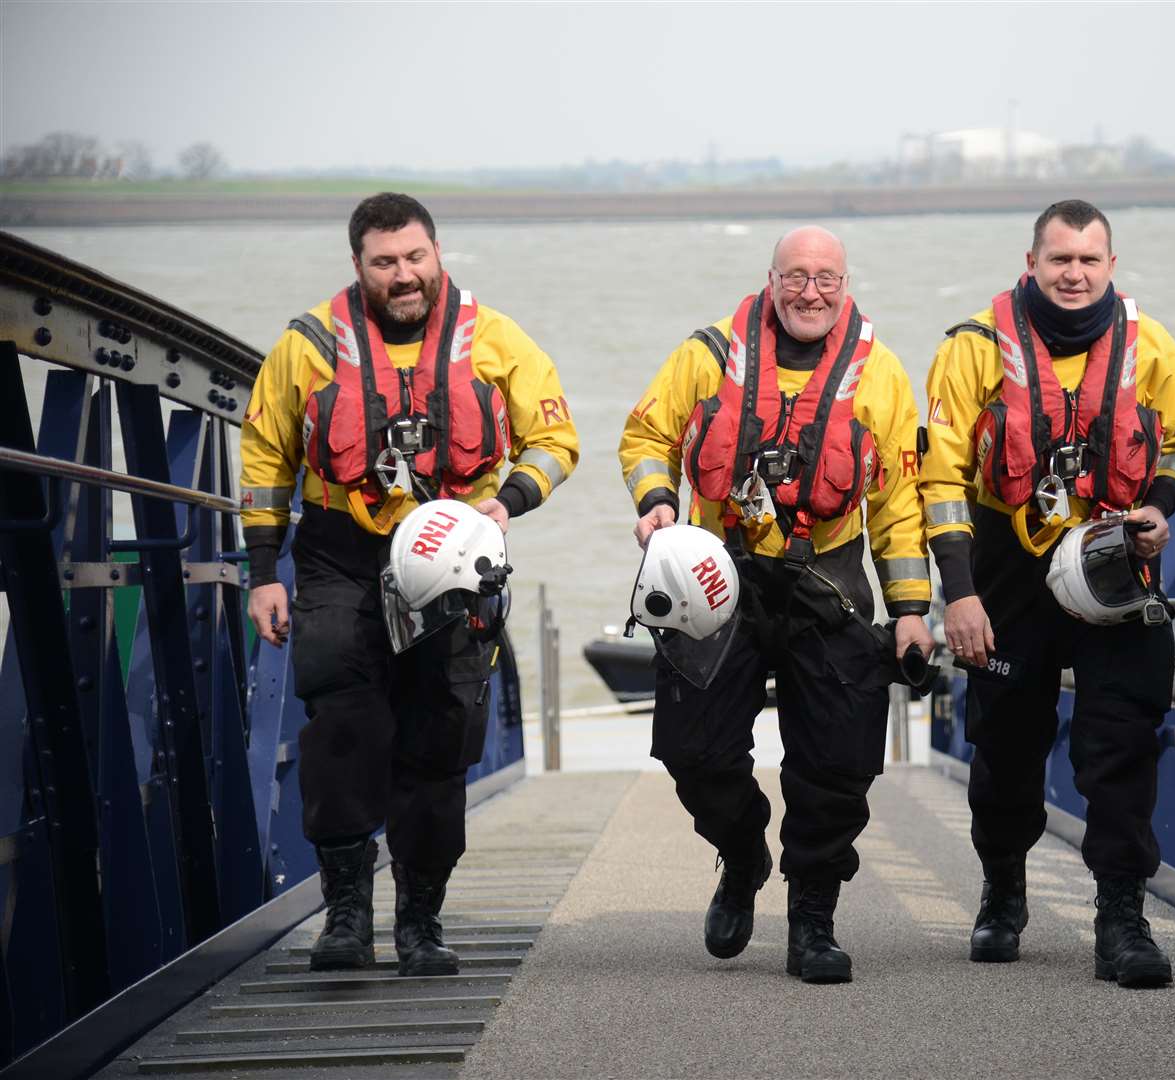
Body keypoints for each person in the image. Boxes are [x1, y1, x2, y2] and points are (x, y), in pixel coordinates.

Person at [239, 193, 578, 976]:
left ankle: (421, 922)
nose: (404, 275)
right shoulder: (307, 345)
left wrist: (510, 499)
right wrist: (263, 573)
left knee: (437, 742)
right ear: (357, 265)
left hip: (455, 560)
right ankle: (347, 919)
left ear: (437, 253)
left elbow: (557, 438)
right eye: (385, 262)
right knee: (344, 729)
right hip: (338, 557)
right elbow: (265, 460)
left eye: (415, 258)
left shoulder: (494, 339)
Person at [619, 226, 933, 984]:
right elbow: (646, 435)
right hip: (718, 575)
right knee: (692, 751)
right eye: (796, 277)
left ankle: (813, 920)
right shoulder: (706, 355)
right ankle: (741, 852)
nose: (810, 292)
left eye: (826, 278)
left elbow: (895, 503)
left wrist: (913, 607)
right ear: (770, 280)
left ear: (846, 285)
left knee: (836, 760)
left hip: (828, 578)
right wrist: (658, 499)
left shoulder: (881, 375)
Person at [919, 200, 1175, 988]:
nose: (1073, 274)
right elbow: (939, 478)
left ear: (1111, 265)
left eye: (1088, 260)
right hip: (1008, 569)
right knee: (1006, 741)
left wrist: (1159, 509)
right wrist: (960, 595)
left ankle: (1122, 918)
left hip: (1114, 559)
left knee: (1120, 740)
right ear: (1032, 263)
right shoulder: (972, 349)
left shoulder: (1151, 348)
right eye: (1059, 261)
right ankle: (1003, 892)